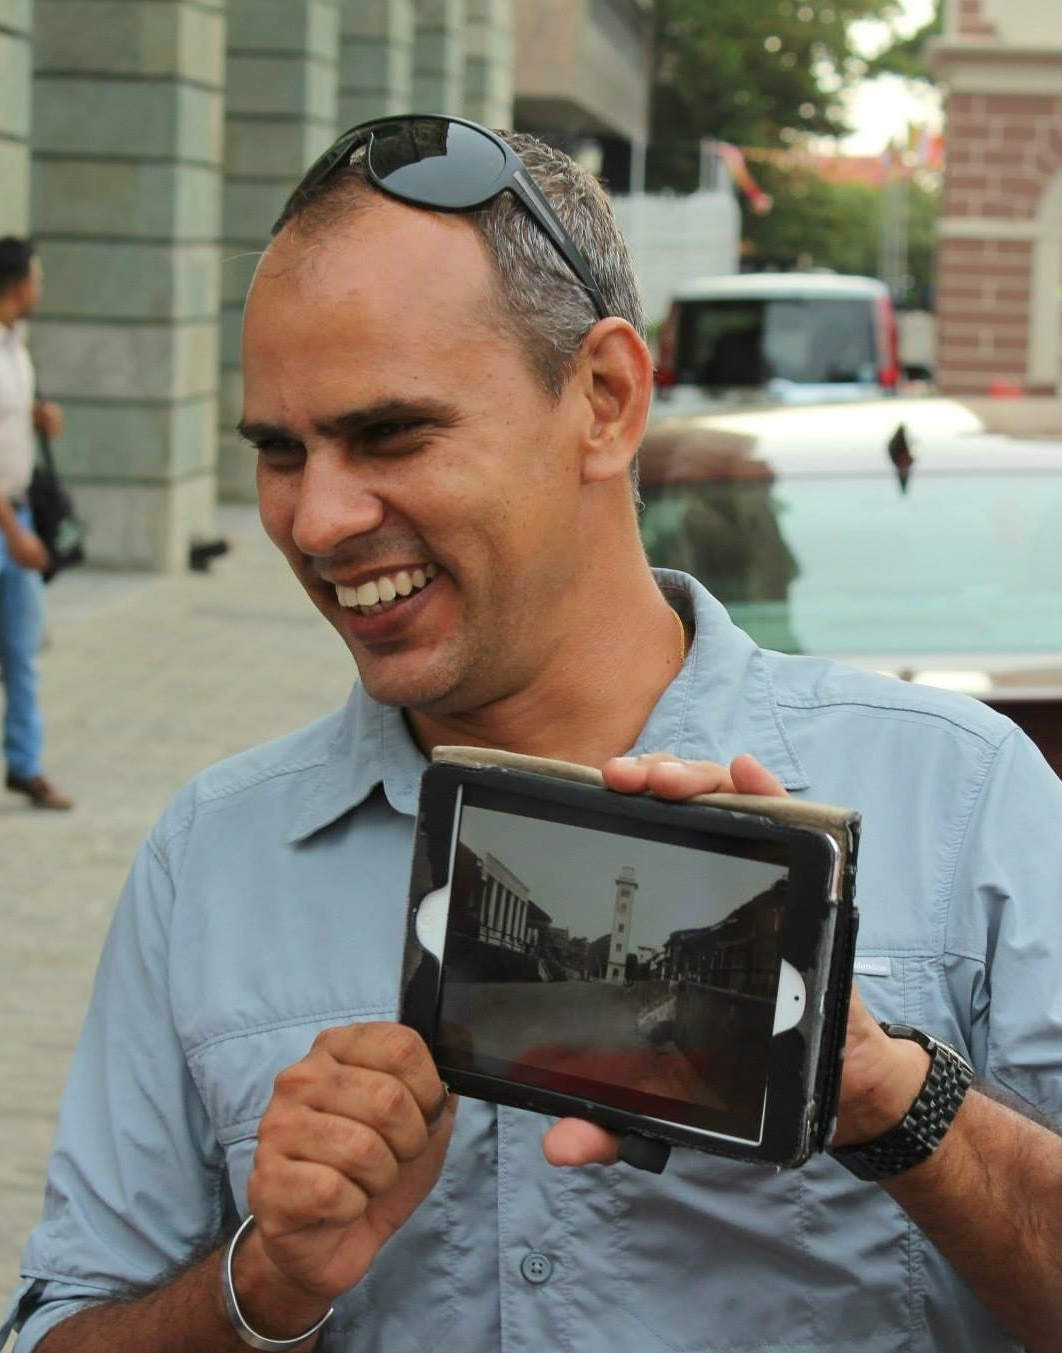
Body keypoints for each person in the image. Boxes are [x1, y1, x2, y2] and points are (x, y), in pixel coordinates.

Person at [3, 117, 1060, 1352]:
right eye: (281, 453)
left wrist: (901, 1105)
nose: (319, 520)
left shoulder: (963, 802)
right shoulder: (213, 860)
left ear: (605, 400)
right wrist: (265, 1282)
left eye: (391, 434)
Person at [0, 236, 71, 811]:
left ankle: (25, 767)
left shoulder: (16, 343)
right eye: (38, 277)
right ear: (18, 283)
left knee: (23, 651)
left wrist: (37, 418)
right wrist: (14, 533)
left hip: (18, 510)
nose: (41, 287)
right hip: (7, 523)